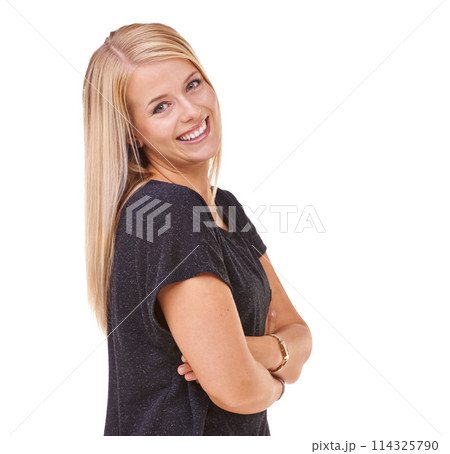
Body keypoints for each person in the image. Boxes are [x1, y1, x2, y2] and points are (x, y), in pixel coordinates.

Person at [83, 22, 313, 436]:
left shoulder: (224, 206)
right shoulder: (168, 211)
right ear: (132, 134)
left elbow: (300, 333)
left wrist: (254, 350)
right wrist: (279, 382)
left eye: (192, 84)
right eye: (160, 107)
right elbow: (237, 389)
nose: (191, 111)